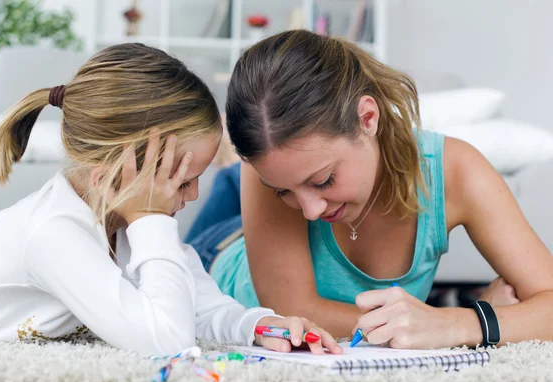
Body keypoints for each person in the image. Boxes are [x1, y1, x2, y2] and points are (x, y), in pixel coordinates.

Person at [0, 43, 341, 357]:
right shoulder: (53, 235)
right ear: (111, 173)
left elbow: (197, 304)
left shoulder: (117, 219)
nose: (192, 195)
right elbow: (167, 340)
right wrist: (150, 218)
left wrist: (257, 326)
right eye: (183, 181)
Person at [187, 30, 553, 349]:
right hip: (214, 259)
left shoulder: (456, 172)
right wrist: (455, 319)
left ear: (367, 118)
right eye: (283, 191)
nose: (311, 210)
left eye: (323, 180)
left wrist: (456, 324)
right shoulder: (269, 161)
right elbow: (295, 310)